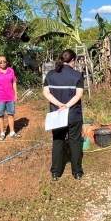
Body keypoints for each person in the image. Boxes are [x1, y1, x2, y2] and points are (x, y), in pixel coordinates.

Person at [42, 49, 84, 181]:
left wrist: (59, 104)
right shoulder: (77, 75)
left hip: (57, 115)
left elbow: (46, 93)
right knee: (75, 142)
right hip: (73, 115)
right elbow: (79, 95)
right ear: (72, 60)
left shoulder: (50, 74)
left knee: (58, 141)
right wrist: (66, 106)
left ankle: (55, 172)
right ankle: (77, 172)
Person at [0, 55, 20, 140]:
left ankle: (12, 132)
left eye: (4, 61)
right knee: (0, 115)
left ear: (7, 62)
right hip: (0, 98)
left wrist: (16, 94)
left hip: (10, 97)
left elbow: (14, 82)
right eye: (0, 62)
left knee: (11, 114)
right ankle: (2, 133)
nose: (3, 63)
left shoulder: (11, 70)